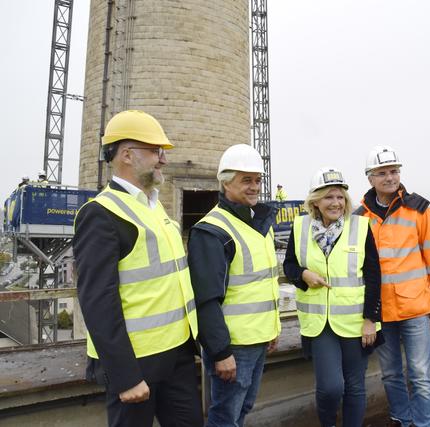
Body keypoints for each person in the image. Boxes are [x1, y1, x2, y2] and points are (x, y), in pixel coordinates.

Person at [73, 110, 201, 427]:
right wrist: (125, 376)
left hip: (178, 356)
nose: (163, 160)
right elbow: (97, 302)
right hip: (137, 364)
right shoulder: (101, 214)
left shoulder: (155, 208)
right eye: (156, 151)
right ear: (127, 155)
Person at [188, 143, 281, 427]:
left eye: (257, 180)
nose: (254, 187)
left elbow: (263, 284)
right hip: (233, 345)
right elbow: (206, 299)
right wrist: (220, 352)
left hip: (257, 338)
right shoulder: (212, 230)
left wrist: (272, 328)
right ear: (226, 182)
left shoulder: (257, 222)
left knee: (242, 408)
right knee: (225, 415)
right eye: (246, 180)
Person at [283, 167, 382, 427]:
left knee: (355, 386)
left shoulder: (360, 227)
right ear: (315, 200)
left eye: (340, 197)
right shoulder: (300, 227)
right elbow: (289, 266)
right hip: (319, 324)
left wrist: (371, 318)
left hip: (355, 322)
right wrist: (303, 274)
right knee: (330, 388)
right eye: (328, 197)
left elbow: (373, 275)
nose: (336, 203)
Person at [354, 145, 430, 427]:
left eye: (394, 171)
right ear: (370, 178)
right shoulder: (359, 217)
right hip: (380, 311)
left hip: (414, 307)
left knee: (419, 373)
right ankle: (401, 420)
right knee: (390, 373)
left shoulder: (419, 208)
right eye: (382, 173)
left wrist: (421, 292)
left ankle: (423, 424)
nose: (390, 178)